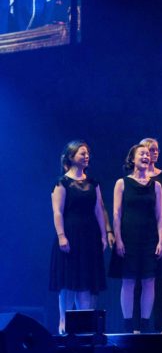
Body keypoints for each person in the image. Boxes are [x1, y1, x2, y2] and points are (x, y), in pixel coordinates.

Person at [50, 140, 108, 335]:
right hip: (70, 235)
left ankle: (84, 326)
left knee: (86, 281)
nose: (86, 156)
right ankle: (64, 324)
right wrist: (61, 236)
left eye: (87, 153)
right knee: (68, 281)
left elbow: (99, 209)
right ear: (71, 157)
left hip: (90, 236)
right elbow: (58, 211)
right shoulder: (62, 182)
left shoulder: (93, 183)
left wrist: (103, 235)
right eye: (82, 153)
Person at [111, 144, 162, 333]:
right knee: (128, 281)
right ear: (132, 159)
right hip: (128, 237)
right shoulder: (122, 183)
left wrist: (161, 240)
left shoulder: (156, 185)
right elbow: (116, 213)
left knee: (149, 281)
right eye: (141, 153)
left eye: (148, 154)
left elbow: (160, 216)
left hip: (149, 238)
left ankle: (144, 325)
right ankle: (128, 325)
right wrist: (118, 239)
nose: (145, 156)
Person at [140, 138, 162, 333]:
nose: (154, 153)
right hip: (140, 232)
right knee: (140, 279)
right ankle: (138, 325)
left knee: (159, 279)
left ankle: (161, 325)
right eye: (151, 150)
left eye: (156, 150)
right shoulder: (133, 178)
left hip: (161, 232)